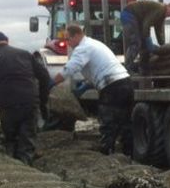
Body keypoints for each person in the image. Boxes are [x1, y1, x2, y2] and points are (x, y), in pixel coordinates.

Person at [53, 23, 134, 156]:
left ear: (78, 35)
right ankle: (129, 154)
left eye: (69, 39)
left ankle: (106, 154)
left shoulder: (83, 48)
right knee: (125, 122)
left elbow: (70, 69)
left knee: (108, 122)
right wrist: (88, 83)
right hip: (125, 82)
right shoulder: (95, 43)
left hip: (112, 87)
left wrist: (51, 83)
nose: (68, 43)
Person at [0, 31, 50, 165]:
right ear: (7, 40)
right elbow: (45, 77)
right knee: (27, 141)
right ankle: (27, 167)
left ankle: (15, 170)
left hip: (8, 108)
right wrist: (43, 103)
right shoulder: (25, 54)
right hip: (29, 104)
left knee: (11, 141)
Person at [120, 0, 170, 74]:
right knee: (136, 43)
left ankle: (143, 69)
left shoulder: (161, 17)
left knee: (144, 45)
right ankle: (127, 68)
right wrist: (148, 40)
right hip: (129, 15)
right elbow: (146, 24)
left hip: (136, 20)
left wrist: (163, 45)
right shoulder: (160, 9)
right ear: (167, 6)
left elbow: (159, 31)